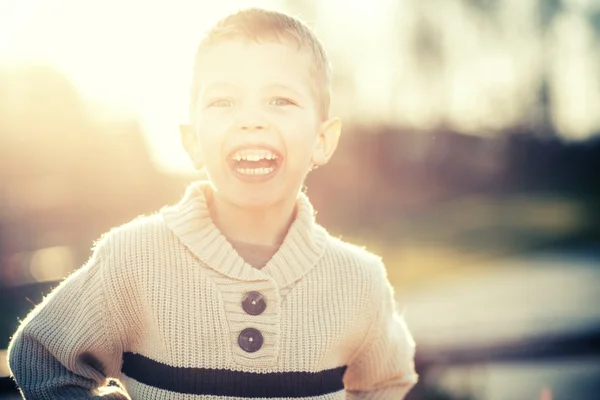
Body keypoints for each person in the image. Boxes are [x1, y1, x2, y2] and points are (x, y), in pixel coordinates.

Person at [7, 7, 418, 399]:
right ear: (192, 141)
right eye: (224, 101)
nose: (250, 119)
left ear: (322, 140)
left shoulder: (360, 281)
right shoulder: (133, 258)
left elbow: (387, 380)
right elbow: (41, 356)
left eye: (280, 100)